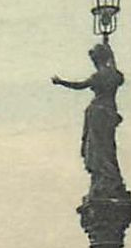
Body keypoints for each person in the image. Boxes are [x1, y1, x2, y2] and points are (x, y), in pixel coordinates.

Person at [51, 42, 127, 197]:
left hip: (97, 113)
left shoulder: (98, 76)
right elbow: (116, 73)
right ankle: (110, 179)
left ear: (97, 60)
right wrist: (110, 54)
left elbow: (79, 85)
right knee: (107, 148)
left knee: (98, 148)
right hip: (109, 113)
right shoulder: (114, 75)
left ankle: (104, 179)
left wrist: (60, 82)